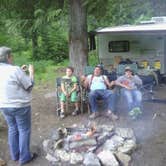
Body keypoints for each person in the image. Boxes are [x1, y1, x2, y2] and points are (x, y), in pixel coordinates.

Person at [0, 46, 37, 165]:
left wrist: (21, 72)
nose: (12, 58)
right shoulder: (15, 70)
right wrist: (31, 73)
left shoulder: (13, 70)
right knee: (24, 130)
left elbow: (9, 82)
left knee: (12, 129)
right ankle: (24, 157)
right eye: (11, 56)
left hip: (4, 106)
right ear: (8, 57)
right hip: (20, 106)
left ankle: (15, 155)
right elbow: (29, 86)